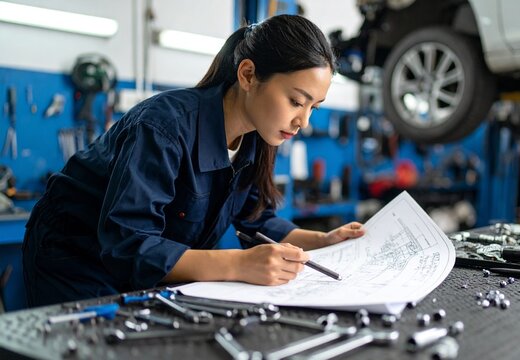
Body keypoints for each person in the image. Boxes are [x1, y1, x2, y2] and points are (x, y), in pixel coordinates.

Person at [22, 14, 365, 307]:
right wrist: (240, 264)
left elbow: (256, 217)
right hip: (72, 256)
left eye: (313, 107)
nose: (303, 122)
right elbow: (128, 245)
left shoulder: (257, 137)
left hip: (134, 267)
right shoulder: (164, 128)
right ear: (248, 75)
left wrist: (322, 241)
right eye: (295, 101)